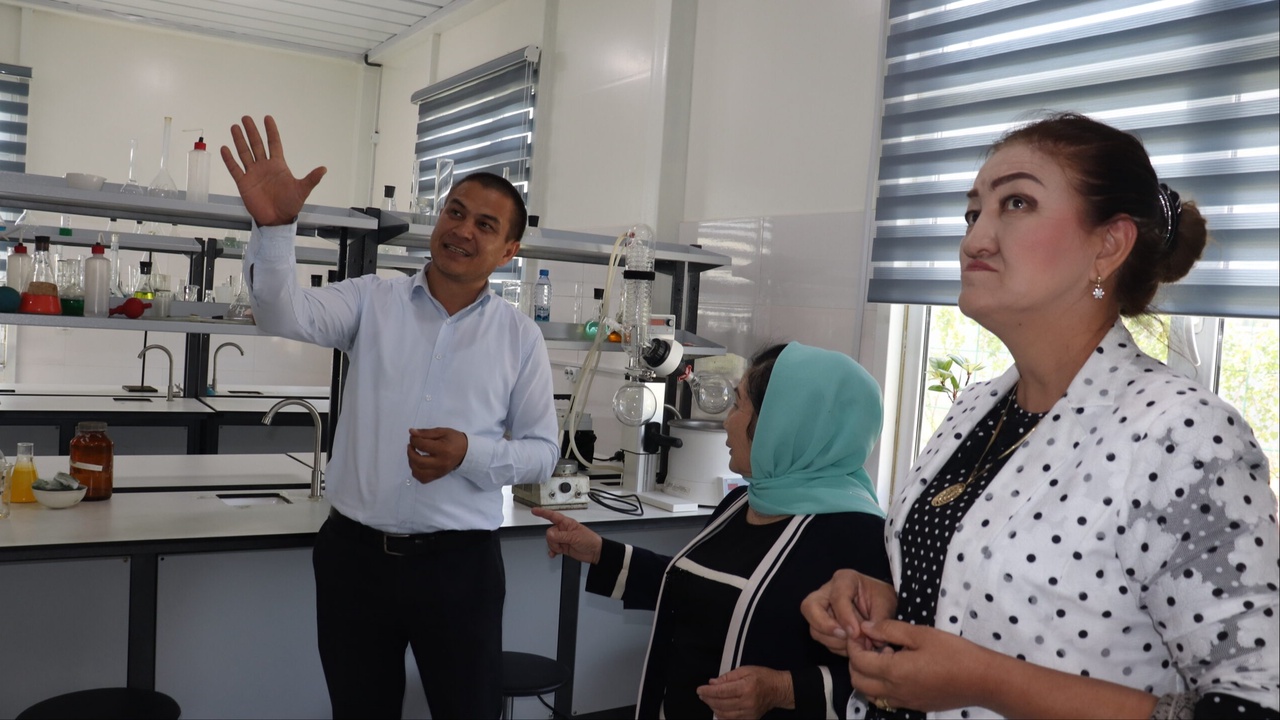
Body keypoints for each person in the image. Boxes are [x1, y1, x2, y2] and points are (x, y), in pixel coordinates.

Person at [802, 112, 1279, 719]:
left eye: (1017, 203)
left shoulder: (1180, 435)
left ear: (1108, 245)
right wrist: (895, 602)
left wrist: (988, 682)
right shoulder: (975, 409)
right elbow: (1004, 603)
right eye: (972, 212)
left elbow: (1250, 707)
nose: (975, 239)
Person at [220, 115, 559, 718]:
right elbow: (280, 315)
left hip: (461, 568)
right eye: (455, 212)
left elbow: (542, 453)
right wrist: (275, 229)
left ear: (509, 251)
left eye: (485, 225)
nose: (462, 230)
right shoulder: (372, 299)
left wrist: (470, 454)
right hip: (355, 561)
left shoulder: (519, 338)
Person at [534, 342, 892, 719]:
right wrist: (599, 553)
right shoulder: (743, 502)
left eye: (738, 405)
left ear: (782, 424)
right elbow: (695, 590)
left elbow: (889, 677)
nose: (726, 421)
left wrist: (783, 690)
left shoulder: (861, 534)